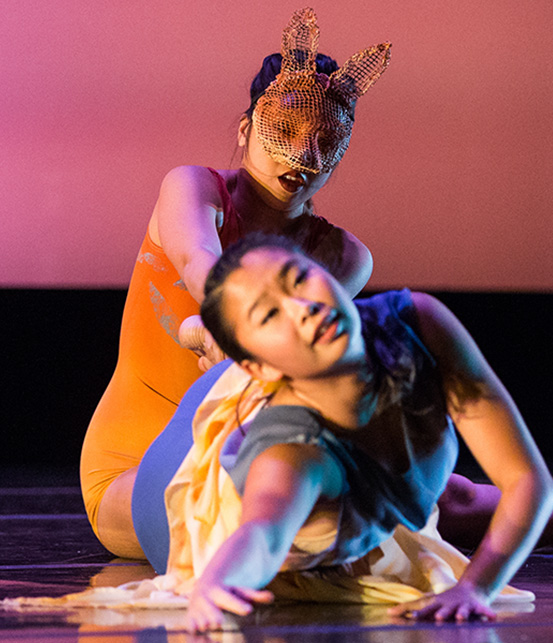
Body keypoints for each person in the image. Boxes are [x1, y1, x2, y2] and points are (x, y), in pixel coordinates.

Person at [127, 233, 553, 631]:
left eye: (299, 279)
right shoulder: (290, 454)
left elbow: (523, 479)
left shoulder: (415, 322)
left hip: (301, 405)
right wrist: (221, 579)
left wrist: (479, 588)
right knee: (410, 501)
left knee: (438, 494)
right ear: (257, 366)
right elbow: (263, 525)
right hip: (181, 500)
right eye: (271, 313)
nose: (305, 307)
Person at [80, 7, 391, 559]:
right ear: (248, 127)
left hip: (249, 450)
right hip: (132, 464)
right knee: (264, 511)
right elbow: (197, 257)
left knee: (404, 497)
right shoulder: (195, 189)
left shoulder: (342, 256)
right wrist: (210, 329)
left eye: (326, 137)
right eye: (285, 129)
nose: (304, 154)